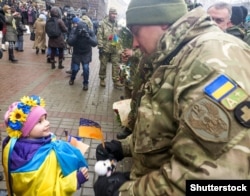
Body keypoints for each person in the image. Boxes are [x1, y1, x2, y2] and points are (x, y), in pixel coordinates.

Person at [94, 0, 250, 195]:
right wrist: (124, 147)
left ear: (163, 22)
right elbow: (166, 127)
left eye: (136, 31)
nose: (134, 43)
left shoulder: (210, 61)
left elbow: (209, 180)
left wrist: (125, 191)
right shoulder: (176, 55)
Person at [2, 95, 89, 195]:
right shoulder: (37, 159)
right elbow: (46, 192)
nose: (47, 123)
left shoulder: (22, 146)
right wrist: (74, 181)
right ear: (26, 131)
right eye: (39, 121)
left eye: (45, 118)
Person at [97, 7, 124, 88]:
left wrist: (121, 48)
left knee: (116, 65)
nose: (114, 16)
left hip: (115, 48)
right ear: (109, 14)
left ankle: (115, 81)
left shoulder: (118, 24)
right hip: (105, 48)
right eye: (113, 14)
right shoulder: (103, 23)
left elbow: (120, 36)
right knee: (103, 65)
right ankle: (102, 79)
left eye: (115, 14)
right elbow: (99, 35)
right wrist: (100, 46)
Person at [67, 20, 97, 91]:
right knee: (75, 69)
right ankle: (72, 78)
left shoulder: (90, 32)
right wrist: (77, 35)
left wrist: (88, 37)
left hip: (86, 53)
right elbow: (70, 42)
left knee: (86, 68)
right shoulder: (74, 31)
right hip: (77, 53)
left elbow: (95, 43)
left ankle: (85, 83)